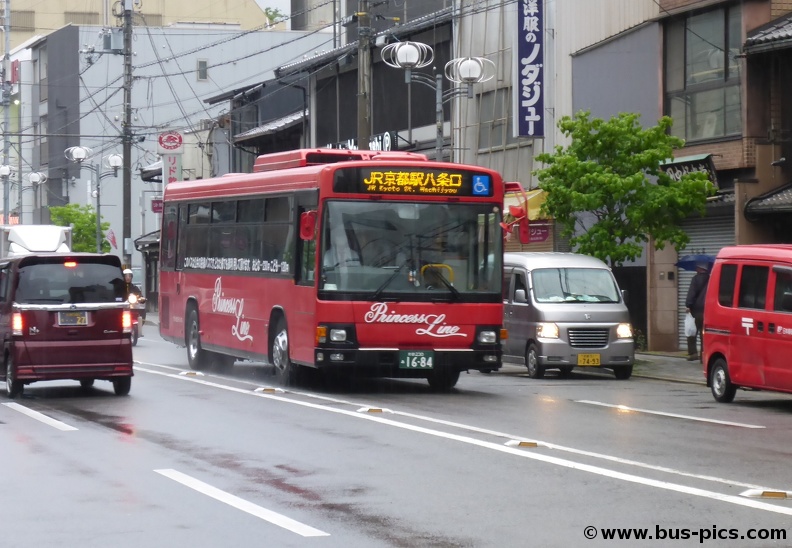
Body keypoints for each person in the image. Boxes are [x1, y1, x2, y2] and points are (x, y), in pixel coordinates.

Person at [685, 262, 710, 362]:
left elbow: (692, 293)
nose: (695, 269)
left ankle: (693, 353)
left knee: (691, 332)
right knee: (704, 334)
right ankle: (703, 356)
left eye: (697, 267)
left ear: (700, 268)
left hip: (696, 310)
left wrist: (688, 305)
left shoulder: (695, 279)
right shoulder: (711, 278)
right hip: (708, 310)